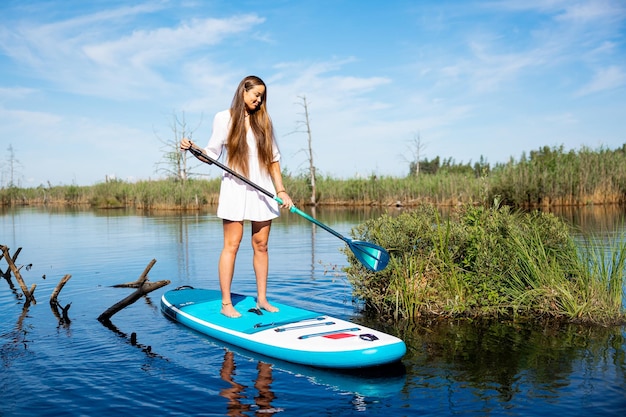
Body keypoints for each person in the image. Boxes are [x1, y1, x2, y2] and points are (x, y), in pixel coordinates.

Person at [180, 75, 293, 318]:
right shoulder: (224, 118)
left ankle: (262, 299)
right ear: (243, 91)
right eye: (256, 94)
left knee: (261, 245)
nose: (259, 100)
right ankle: (226, 304)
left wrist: (281, 190)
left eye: (263, 96)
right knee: (232, 244)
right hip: (235, 188)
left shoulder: (264, 121)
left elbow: (273, 160)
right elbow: (210, 155)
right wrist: (193, 148)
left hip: (262, 189)